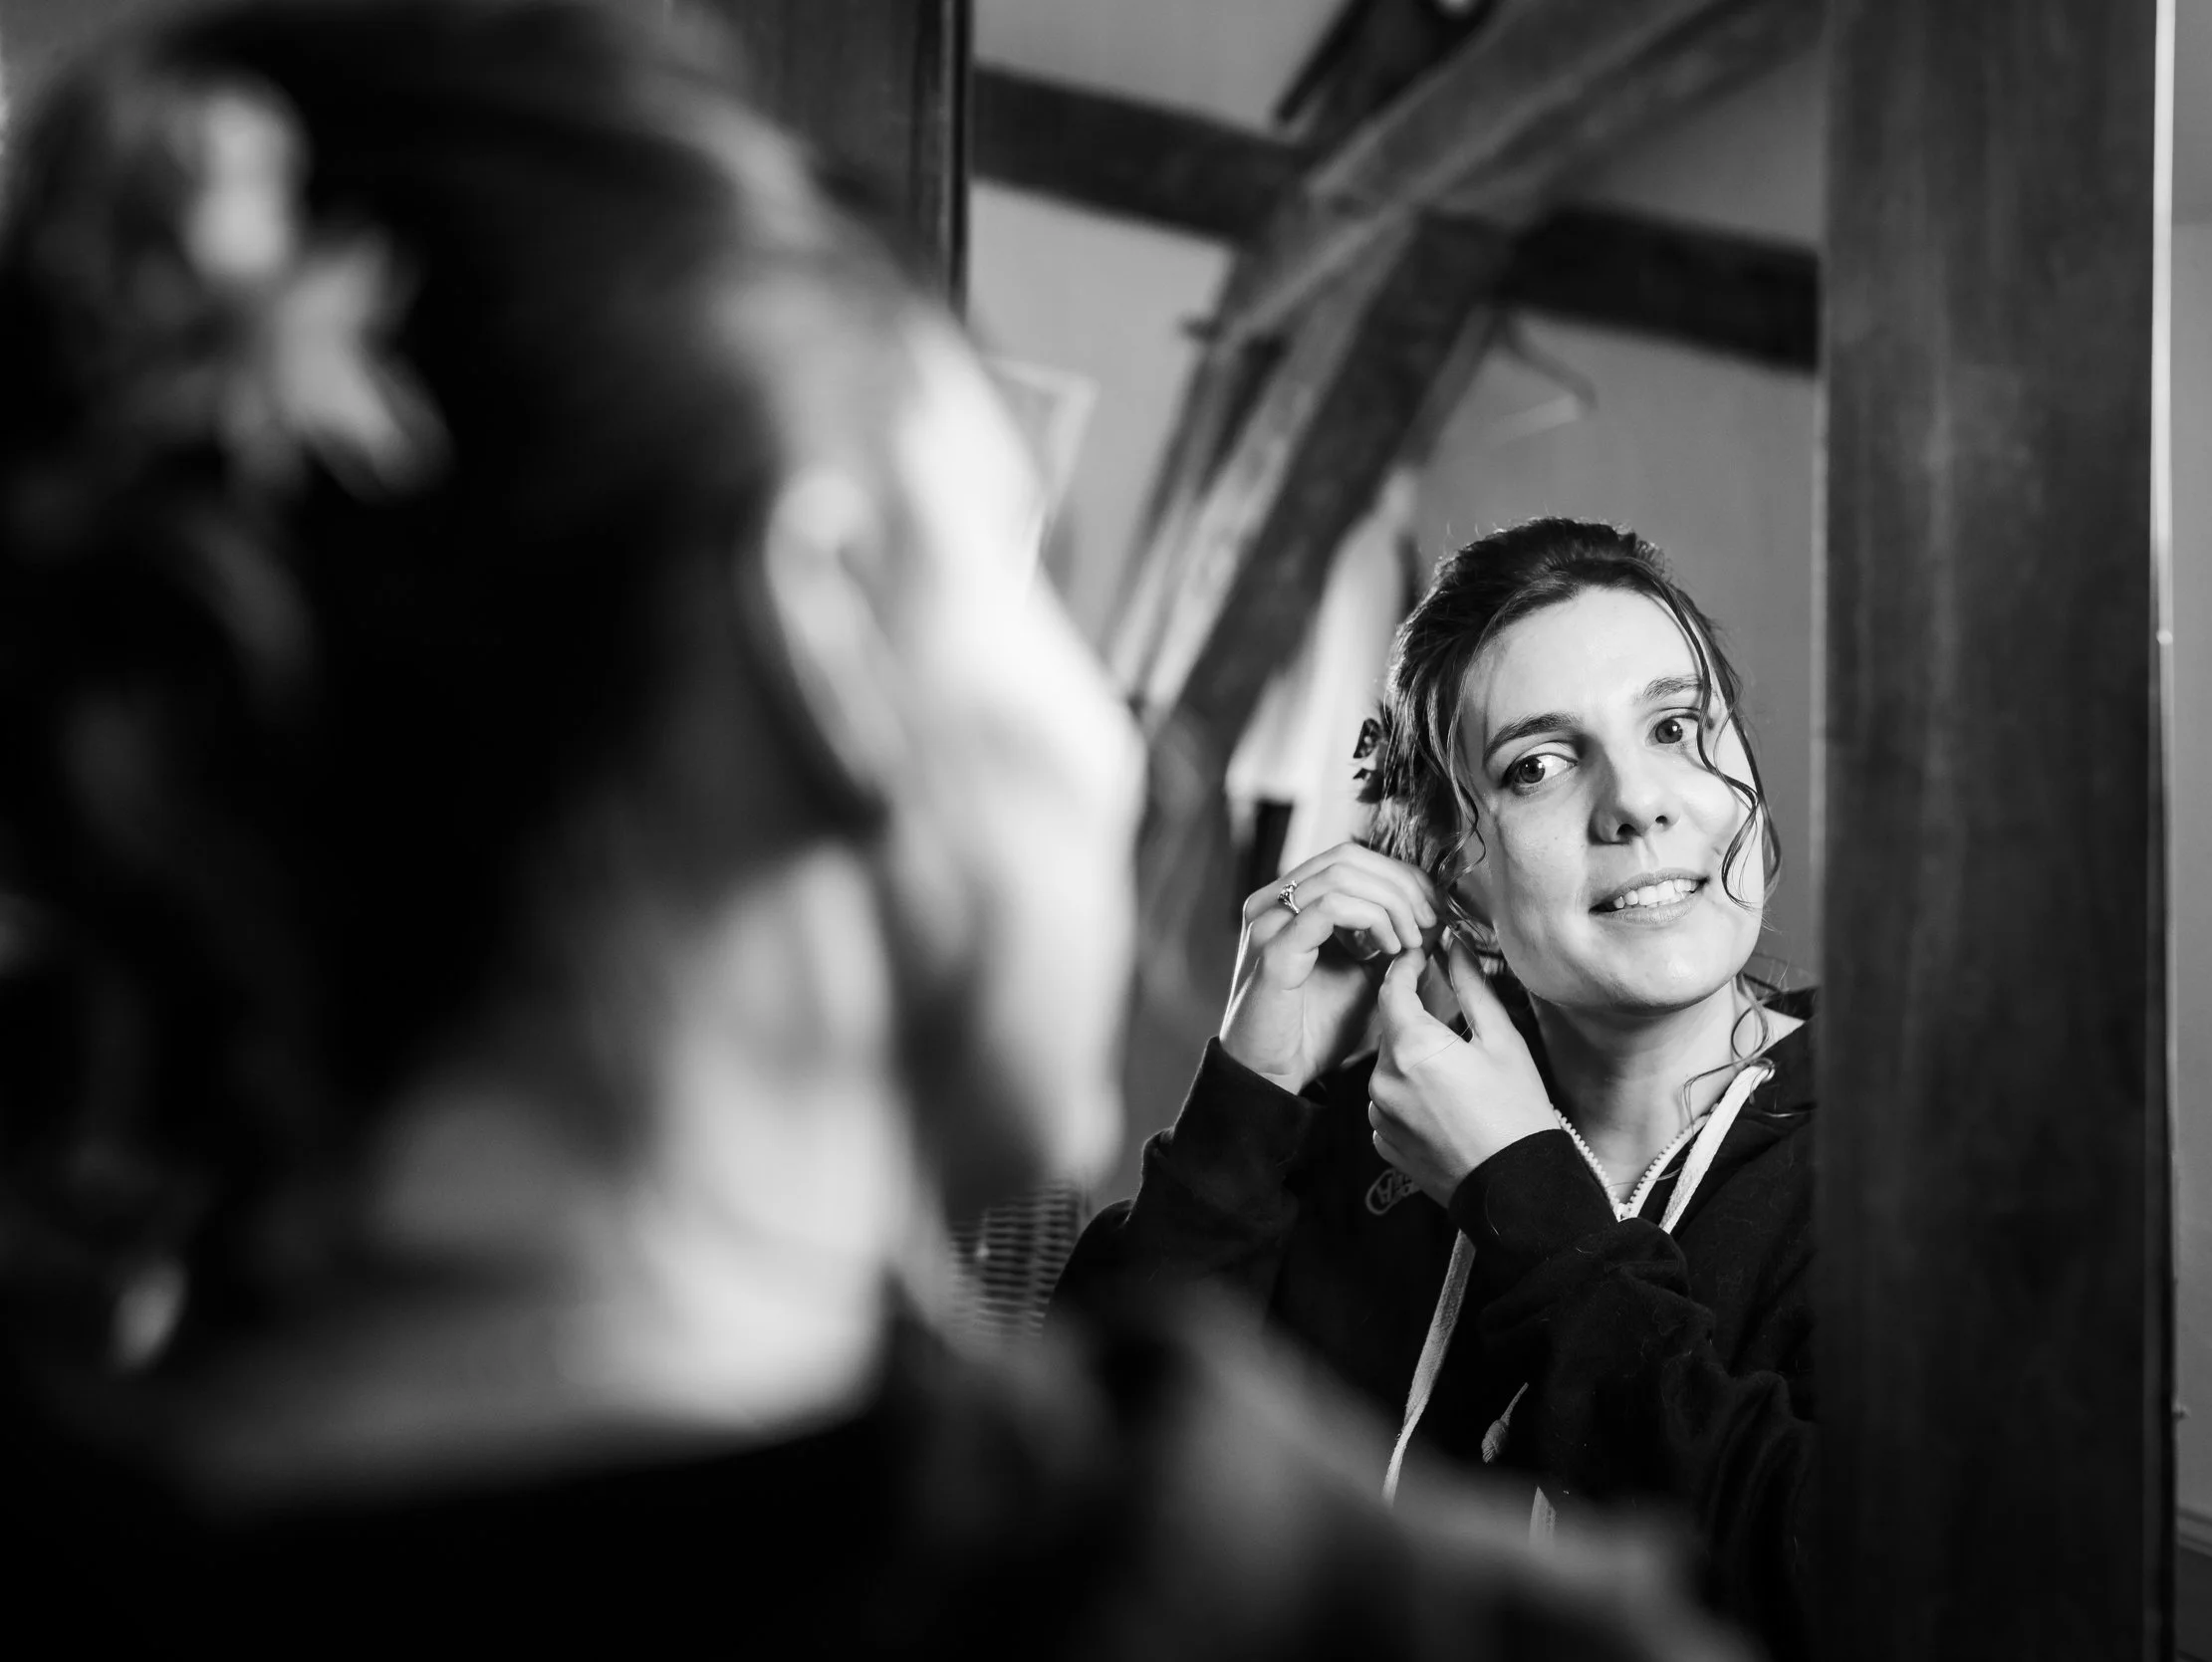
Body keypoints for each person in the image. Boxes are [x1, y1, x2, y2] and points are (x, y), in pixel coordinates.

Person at [0, 6, 1745, 1656]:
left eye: (1677, 727)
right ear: (831, 646)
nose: (1111, 739)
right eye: (1024, 575)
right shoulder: (1348, 1625)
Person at [1057, 519, 1819, 1661]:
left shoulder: (1898, 1168)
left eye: (1675, 727)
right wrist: (1249, 1098)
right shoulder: (1367, 1136)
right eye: (1537, 766)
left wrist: (1531, 1209)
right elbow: (1087, 1499)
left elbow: (1842, 1588)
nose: (1638, 802)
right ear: (1451, 876)